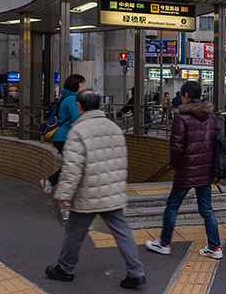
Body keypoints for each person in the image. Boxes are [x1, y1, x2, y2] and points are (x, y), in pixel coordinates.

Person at [45, 90, 146, 290]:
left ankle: (65, 269)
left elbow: (72, 168)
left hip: (87, 194)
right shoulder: (114, 128)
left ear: (79, 107)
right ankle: (136, 272)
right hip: (112, 191)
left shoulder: (78, 130)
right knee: (123, 232)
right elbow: (122, 160)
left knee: (74, 232)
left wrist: (64, 194)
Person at [145, 81, 223, 259]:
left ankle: (164, 243)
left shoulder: (181, 117)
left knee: (172, 206)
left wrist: (174, 164)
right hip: (206, 168)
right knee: (206, 209)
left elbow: (176, 147)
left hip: (186, 169)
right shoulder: (210, 116)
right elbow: (216, 140)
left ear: (186, 96)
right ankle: (215, 247)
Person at [40, 74, 85, 214]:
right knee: (75, 165)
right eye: (82, 84)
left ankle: (51, 183)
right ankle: (60, 191)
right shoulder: (72, 99)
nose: (84, 86)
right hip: (65, 137)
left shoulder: (66, 97)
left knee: (73, 165)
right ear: (77, 84)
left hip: (62, 137)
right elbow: (77, 119)